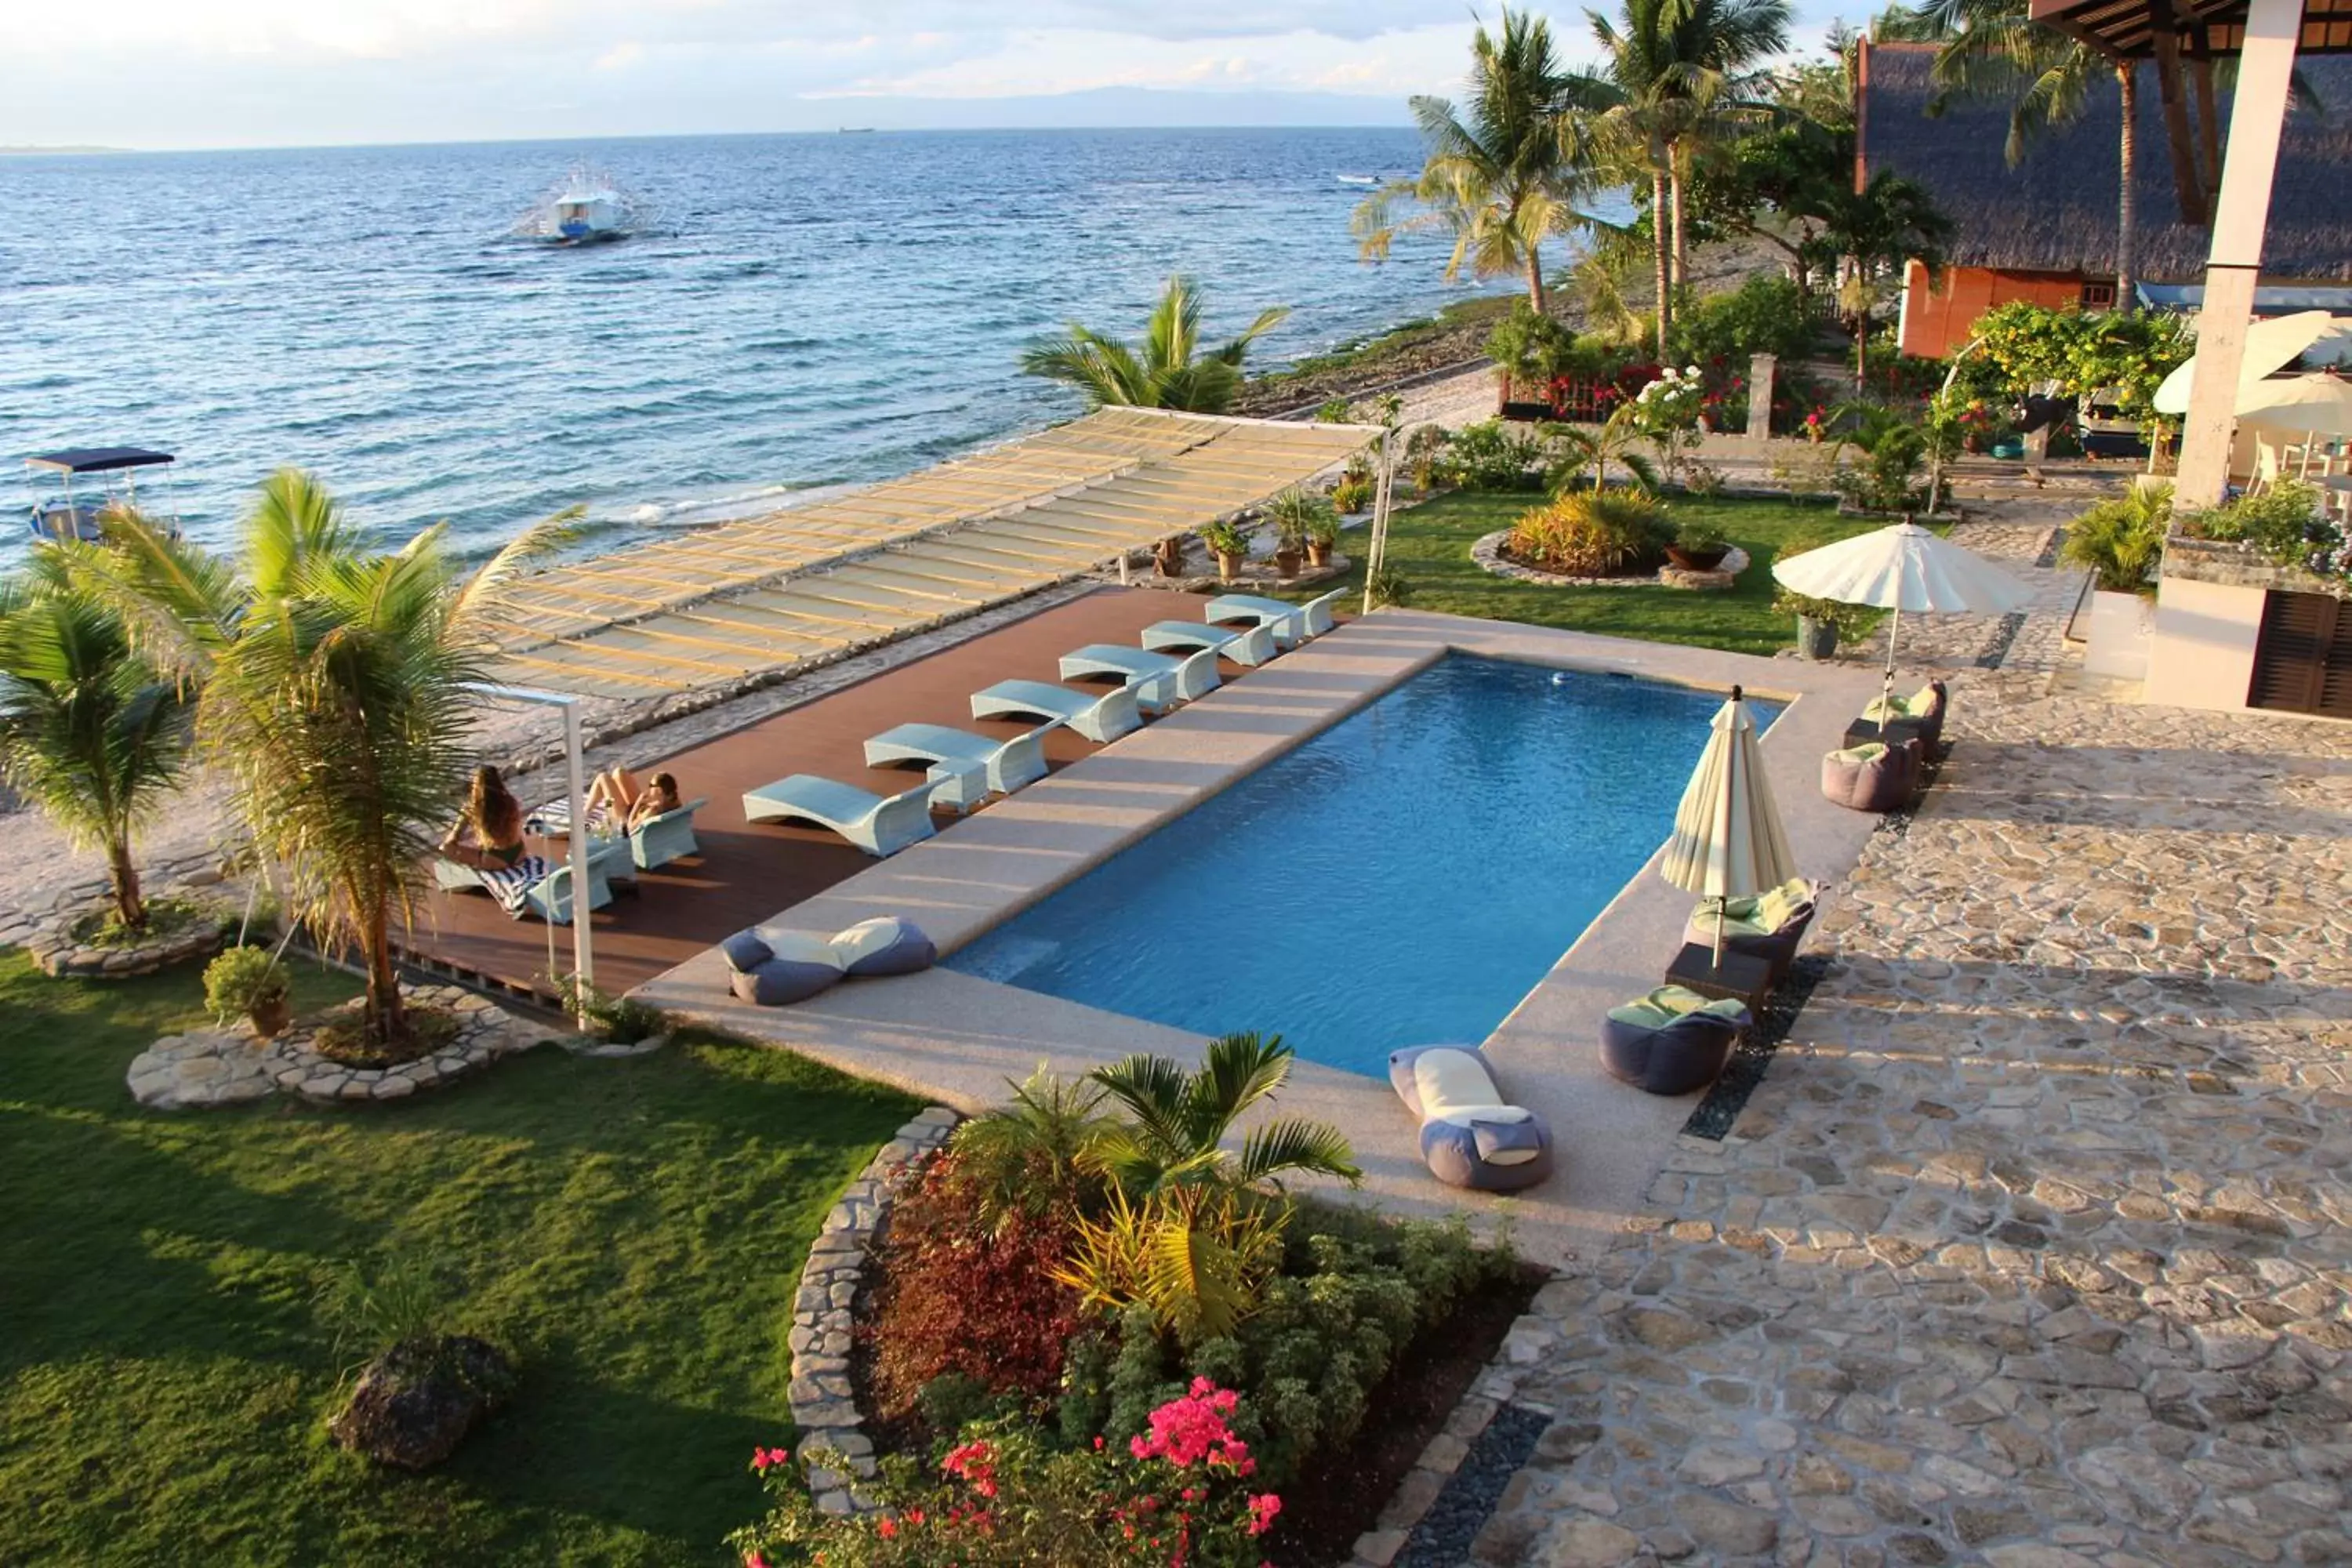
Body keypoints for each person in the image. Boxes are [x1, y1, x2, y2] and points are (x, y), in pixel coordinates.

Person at [441, 765, 529, 871]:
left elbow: (454, 838)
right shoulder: (510, 802)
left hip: (494, 859)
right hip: (519, 853)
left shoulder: (473, 808)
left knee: (446, 848)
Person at [585, 766, 683, 831]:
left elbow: (630, 827)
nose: (649, 787)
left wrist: (638, 803)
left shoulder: (652, 811)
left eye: (651, 785)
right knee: (619, 772)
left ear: (659, 790)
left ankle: (586, 811)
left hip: (623, 819)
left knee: (603, 777)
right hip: (639, 810)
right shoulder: (673, 801)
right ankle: (605, 801)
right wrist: (645, 803)